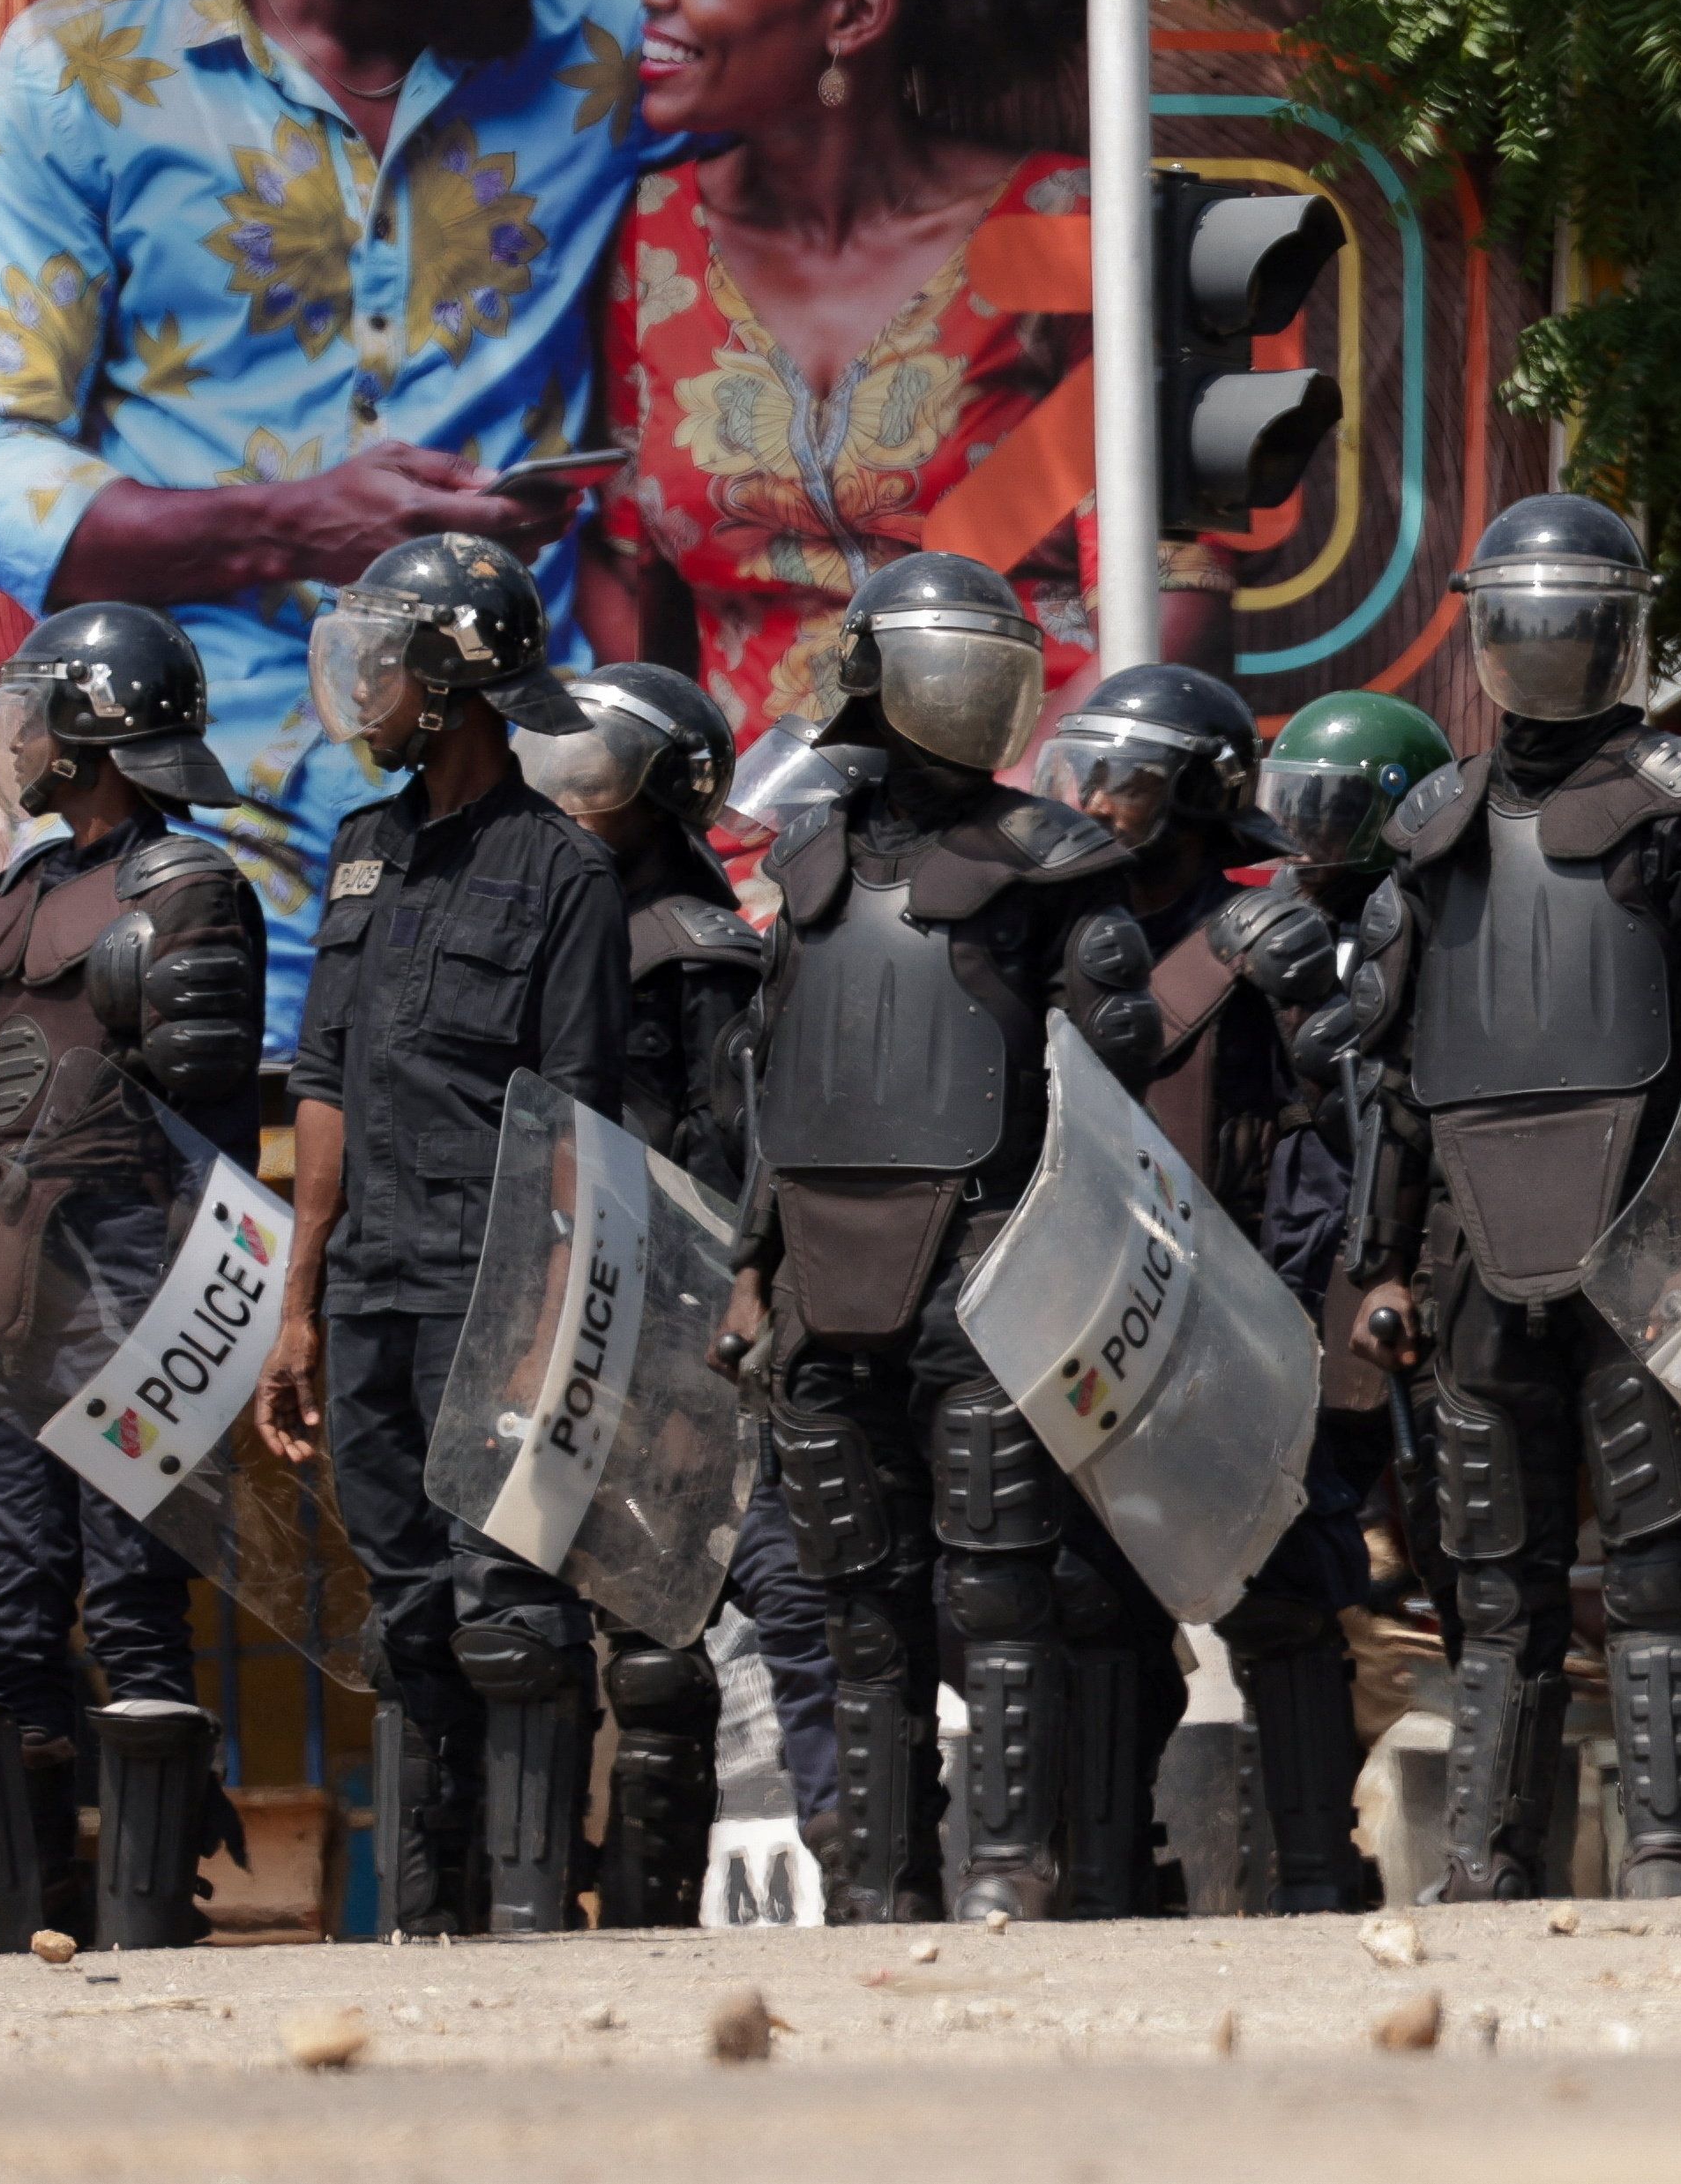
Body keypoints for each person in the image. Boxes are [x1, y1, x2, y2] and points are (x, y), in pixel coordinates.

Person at [0, 0, 660, 1036]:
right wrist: (286, 526)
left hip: (515, 864)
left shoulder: (612, 45)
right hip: (177, 856)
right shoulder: (83, 77)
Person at [579, 0, 1229, 744]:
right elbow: (623, 569)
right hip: (753, 846)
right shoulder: (648, 238)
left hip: (1038, 820)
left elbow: (1169, 581)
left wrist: (1045, 811)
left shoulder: (1069, 224)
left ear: (854, 13)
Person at [1343, 501, 1681, 1901]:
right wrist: (1379, 1260)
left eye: (1567, 619)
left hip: (1643, 1232)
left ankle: (1663, 1845)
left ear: (1615, 632)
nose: (1539, 646)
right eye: (1519, 618)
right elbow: (1397, 1077)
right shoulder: (1431, 827)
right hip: (1476, 1245)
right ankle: (1490, 1857)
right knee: (1497, 1585)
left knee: (1663, 1558)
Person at [713, 552, 1166, 1924]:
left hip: (984, 1272)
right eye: (941, 667)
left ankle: (1009, 1873)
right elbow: (767, 1093)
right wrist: (747, 1266)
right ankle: (882, 1881)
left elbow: (1111, 1088)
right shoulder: (801, 870)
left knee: (1003, 1592)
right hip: (824, 1278)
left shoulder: (1055, 867)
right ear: (872, 680)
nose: (968, 697)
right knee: (860, 1606)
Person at [250, 534, 626, 1937]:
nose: (363, 693)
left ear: (457, 684)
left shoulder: (562, 874)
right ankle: (431, 1917)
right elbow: (325, 1083)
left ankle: (532, 1909)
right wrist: (303, 1297)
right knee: (407, 1609)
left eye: (385, 664)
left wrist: (551, 1313)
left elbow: (584, 1121)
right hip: (369, 1293)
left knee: (510, 1606)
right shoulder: (362, 856)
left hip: (499, 1288)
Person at [0, 605, 260, 1947]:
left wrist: (207, 1335)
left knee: (131, 1598)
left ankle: (153, 1907)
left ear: (104, 732)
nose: (23, 740)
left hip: (136, 1284)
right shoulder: (14, 899)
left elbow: (211, 1136)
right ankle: (42, 1916)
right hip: (20, 1298)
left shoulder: (186, 890)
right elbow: (2, 1131)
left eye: (44, 712)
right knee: (5, 1623)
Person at [1025, 663, 1342, 1913]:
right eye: (1085, 772)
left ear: (1204, 795)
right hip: (1093, 1315)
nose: (1096, 803)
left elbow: (1326, 1139)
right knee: (1092, 1607)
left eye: (1131, 780)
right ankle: (1111, 1876)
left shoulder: (1267, 939)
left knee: (1283, 1594)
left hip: (1240, 1309)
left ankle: (1318, 1873)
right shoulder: (1048, 932)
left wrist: (1301, 1310)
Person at [510, 657, 805, 1926]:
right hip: (539, 1307)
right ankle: (515, 1894)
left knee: (656, 1634)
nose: (567, 790)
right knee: (517, 1622)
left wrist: (712, 1324)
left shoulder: (690, 947)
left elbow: (725, 1158)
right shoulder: (543, 919)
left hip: (654, 1318)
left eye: (598, 768)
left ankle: (650, 1905)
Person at [1220, 684, 1455, 1913]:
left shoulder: (1435, 921)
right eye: (1292, 805)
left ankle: (1489, 1849)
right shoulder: (1257, 933)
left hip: (1414, 1283)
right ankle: (1314, 1859)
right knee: (1286, 1577)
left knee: (1474, 1559)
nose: (1306, 835)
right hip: (1290, 1299)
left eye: (1331, 809)